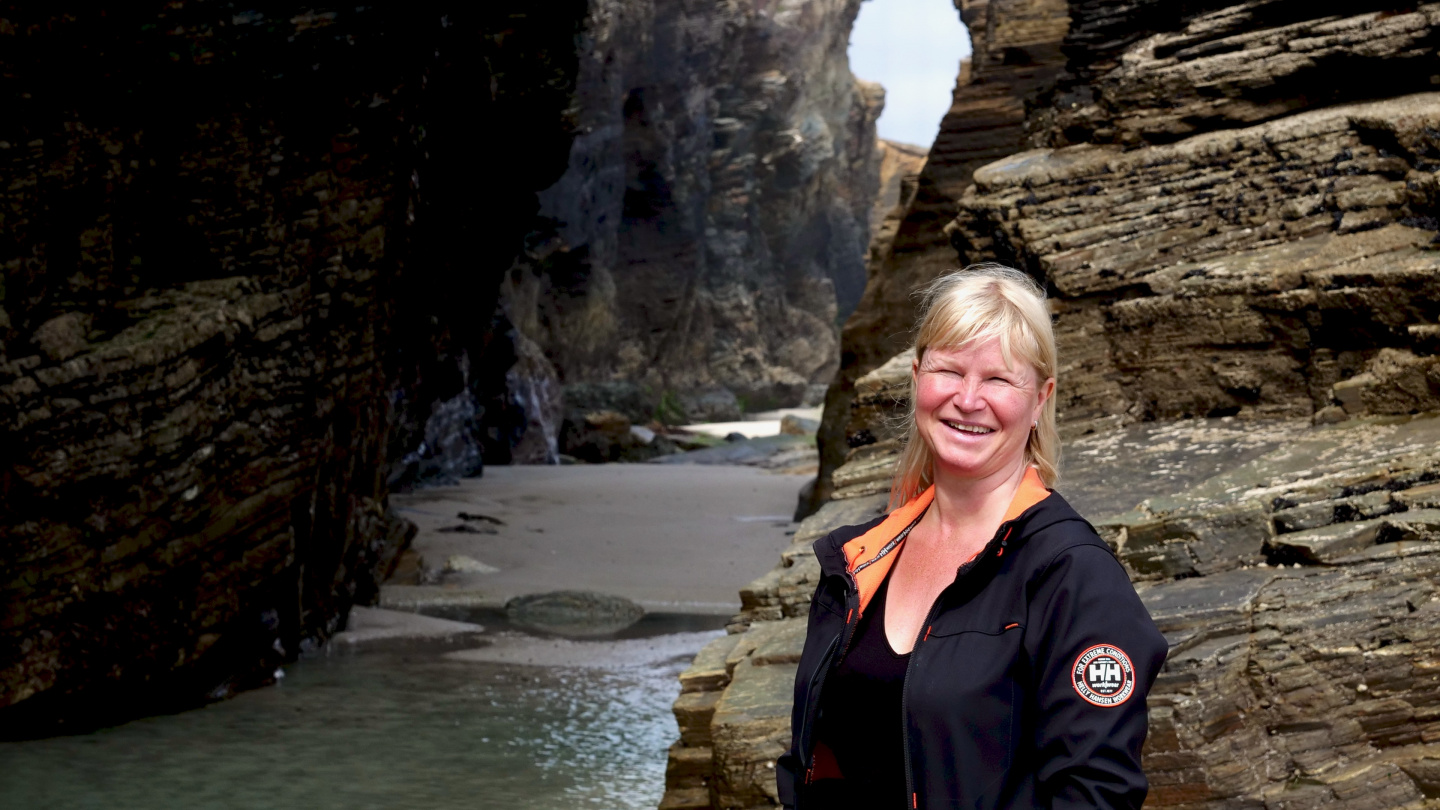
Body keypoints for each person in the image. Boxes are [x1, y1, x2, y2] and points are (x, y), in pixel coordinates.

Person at [777, 264, 1168, 810]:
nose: (967, 398)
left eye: (998, 379)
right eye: (948, 371)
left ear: (1040, 400)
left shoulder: (1074, 577)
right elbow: (811, 764)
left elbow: (1096, 795)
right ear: (917, 379)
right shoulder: (859, 559)